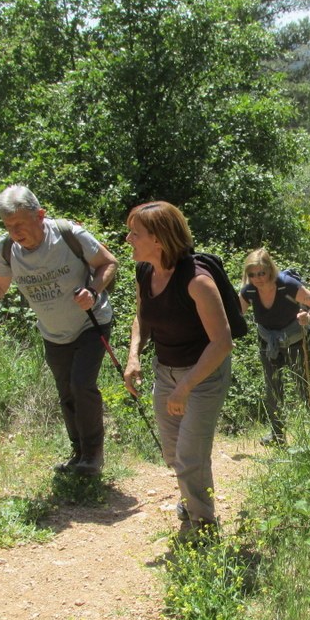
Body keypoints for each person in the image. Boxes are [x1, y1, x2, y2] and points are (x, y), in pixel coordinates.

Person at [0, 185, 118, 475]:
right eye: (8, 225)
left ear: (39, 215)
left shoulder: (69, 235)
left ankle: (93, 456)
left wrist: (92, 290)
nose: (14, 231)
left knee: (81, 385)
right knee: (66, 390)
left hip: (90, 322)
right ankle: (78, 452)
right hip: (53, 331)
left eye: (19, 223)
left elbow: (108, 263)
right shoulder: (7, 248)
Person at [122, 201, 233, 543]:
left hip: (202, 375)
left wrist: (185, 386)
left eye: (135, 234)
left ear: (158, 239)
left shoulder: (197, 281)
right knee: (174, 452)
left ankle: (203, 528)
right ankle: (192, 499)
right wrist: (134, 356)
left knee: (189, 455)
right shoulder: (145, 272)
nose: (128, 240)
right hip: (165, 370)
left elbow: (222, 342)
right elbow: (141, 316)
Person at [239, 249, 310, 446]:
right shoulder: (249, 291)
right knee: (273, 388)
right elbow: (236, 315)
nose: (257, 278)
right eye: (252, 274)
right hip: (268, 342)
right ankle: (277, 436)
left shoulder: (287, 285)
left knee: (304, 385)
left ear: (270, 269)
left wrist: (309, 315)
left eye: (261, 273)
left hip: (295, 339)